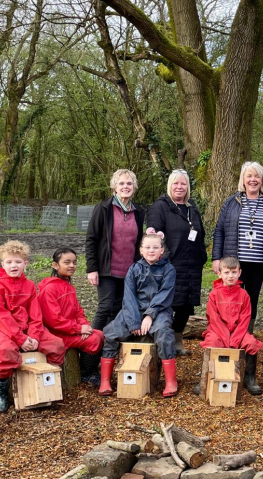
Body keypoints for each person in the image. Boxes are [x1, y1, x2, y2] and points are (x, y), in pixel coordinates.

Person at [0, 241, 65, 413]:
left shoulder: (29, 286)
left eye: (18, 262)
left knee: (56, 345)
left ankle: (48, 384)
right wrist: (21, 339)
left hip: (28, 329)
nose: (13, 266)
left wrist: (35, 336)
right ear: (2, 264)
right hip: (4, 330)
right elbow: (0, 317)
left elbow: (36, 315)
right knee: (5, 351)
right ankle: (3, 393)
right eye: (9, 262)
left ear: (25, 264)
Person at [98, 232, 178, 397]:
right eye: (147, 247)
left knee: (164, 334)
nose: (151, 250)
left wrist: (150, 315)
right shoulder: (134, 269)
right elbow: (129, 297)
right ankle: (105, 381)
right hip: (133, 309)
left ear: (161, 250)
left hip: (159, 310)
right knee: (111, 332)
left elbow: (165, 295)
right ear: (141, 250)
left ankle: (171, 381)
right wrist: (134, 322)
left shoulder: (169, 269)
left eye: (155, 247)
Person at [212, 161, 263, 331]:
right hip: (234, 263)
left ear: (262, 179)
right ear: (243, 180)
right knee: (231, 298)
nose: (253, 179)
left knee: (252, 299)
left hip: (258, 263)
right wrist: (216, 258)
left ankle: (247, 333)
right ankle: (229, 332)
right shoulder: (231, 202)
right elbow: (219, 231)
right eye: (249, 176)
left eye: (257, 176)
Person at [147, 169, 207, 356]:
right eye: (176, 183)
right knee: (167, 304)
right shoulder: (160, 207)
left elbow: (201, 233)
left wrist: (202, 255)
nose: (179, 187)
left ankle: (178, 340)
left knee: (185, 306)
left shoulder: (192, 207)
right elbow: (154, 238)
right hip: (170, 265)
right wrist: (167, 258)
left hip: (192, 264)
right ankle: (161, 341)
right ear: (169, 185)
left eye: (183, 184)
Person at [85, 169, 145, 333]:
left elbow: (139, 241)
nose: (125, 186)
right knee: (105, 307)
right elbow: (91, 239)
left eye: (129, 183)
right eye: (121, 183)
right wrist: (92, 268)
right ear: (114, 187)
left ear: (134, 186)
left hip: (129, 271)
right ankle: (92, 348)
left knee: (119, 309)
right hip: (107, 270)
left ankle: (110, 346)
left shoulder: (138, 212)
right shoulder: (103, 209)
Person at [37, 248, 105, 387]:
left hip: (70, 330)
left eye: (74, 262)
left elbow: (77, 311)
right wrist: (79, 329)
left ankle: (91, 370)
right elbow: (53, 321)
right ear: (55, 265)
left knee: (100, 335)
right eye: (67, 262)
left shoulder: (67, 285)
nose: (72, 266)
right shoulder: (49, 289)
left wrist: (85, 326)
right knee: (93, 340)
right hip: (56, 334)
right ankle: (86, 374)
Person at [197, 256, 263, 395]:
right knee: (212, 342)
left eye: (234, 272)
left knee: (251, 343)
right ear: (219, 273)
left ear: (239, 273)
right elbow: (213, 319)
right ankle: (206, 376)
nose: (230, 276)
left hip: (238, 332)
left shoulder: (244, 294)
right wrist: (226, 337)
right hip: (218, 331)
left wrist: (235, 338)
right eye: (227, 272)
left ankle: (249, 378)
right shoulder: (214, 294)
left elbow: (245, 319)